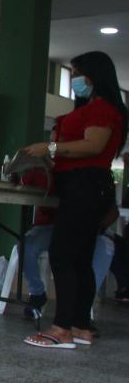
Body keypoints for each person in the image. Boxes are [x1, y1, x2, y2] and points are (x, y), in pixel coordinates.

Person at [22, 51, 127, 349]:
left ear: (92, 76)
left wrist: (51, 147)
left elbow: (94, 145)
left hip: (86, 185)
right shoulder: (92, 108)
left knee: (63, 255)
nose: (73, 79)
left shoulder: (102, 109)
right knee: (80, 258)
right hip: (83, 186)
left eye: (76, 73)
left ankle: (61, 328)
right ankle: (81, 325)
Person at [15, 169, 116, 320]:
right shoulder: (39, 170)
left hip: (85, 228)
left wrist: (97, 228)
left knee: (106, 247)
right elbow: (17, 184)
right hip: (49, 227)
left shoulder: (94, 176)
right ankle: (37, 294)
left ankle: (83, 305)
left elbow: (113, 211)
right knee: (25, 246)